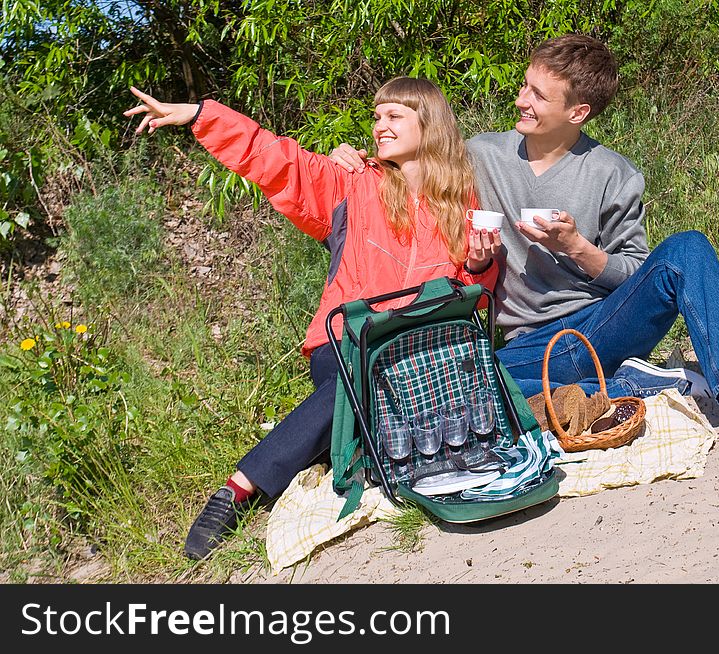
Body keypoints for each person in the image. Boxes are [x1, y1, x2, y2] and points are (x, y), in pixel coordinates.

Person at [330, 34, 719, 442]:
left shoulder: (614, 174)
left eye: (538, 96)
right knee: (463, 386)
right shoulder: (481, 157)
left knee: (688, 248)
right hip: (528, 344)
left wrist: (576, 248)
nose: (521, 101)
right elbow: (420, 157)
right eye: (525, 86)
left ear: (578, 112)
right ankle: (638, 383)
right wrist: (353, 161)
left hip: (602, 323)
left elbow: (637, 271)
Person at [124, 77, 503, 560]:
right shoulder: (352, 183)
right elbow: (276, 159)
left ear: (429, 124)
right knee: (362, 377)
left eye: (394, 117)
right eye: (376, 116)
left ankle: (349, 444)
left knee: (390, 396)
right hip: (345, 346)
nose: (379, 127)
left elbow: (474, 301)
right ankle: (239, 490)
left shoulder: (461, 204)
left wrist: (477, 267)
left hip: (422, 358)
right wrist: (201, 115)